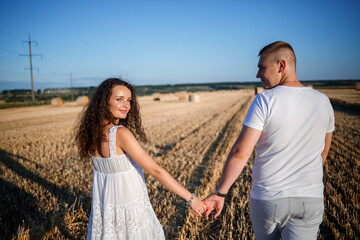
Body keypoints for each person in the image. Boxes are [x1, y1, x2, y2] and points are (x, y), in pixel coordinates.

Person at [202, 41, 335, 240]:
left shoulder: (265, 100)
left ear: (281, 66)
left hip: (269, 199)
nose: (258, 75)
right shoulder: (323, 101)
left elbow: (240, 153)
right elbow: (323, 151)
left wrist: (220, 193)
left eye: (262, 68)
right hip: (310, 198)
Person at [75, 78, 206, 240]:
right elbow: (155, 170)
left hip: (107, 213)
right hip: (130, 210)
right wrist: (191, 198)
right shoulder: (120, 133)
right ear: (104, 101)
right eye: (119, 99)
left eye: (129, 100)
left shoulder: (92, 133)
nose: (126, 105)